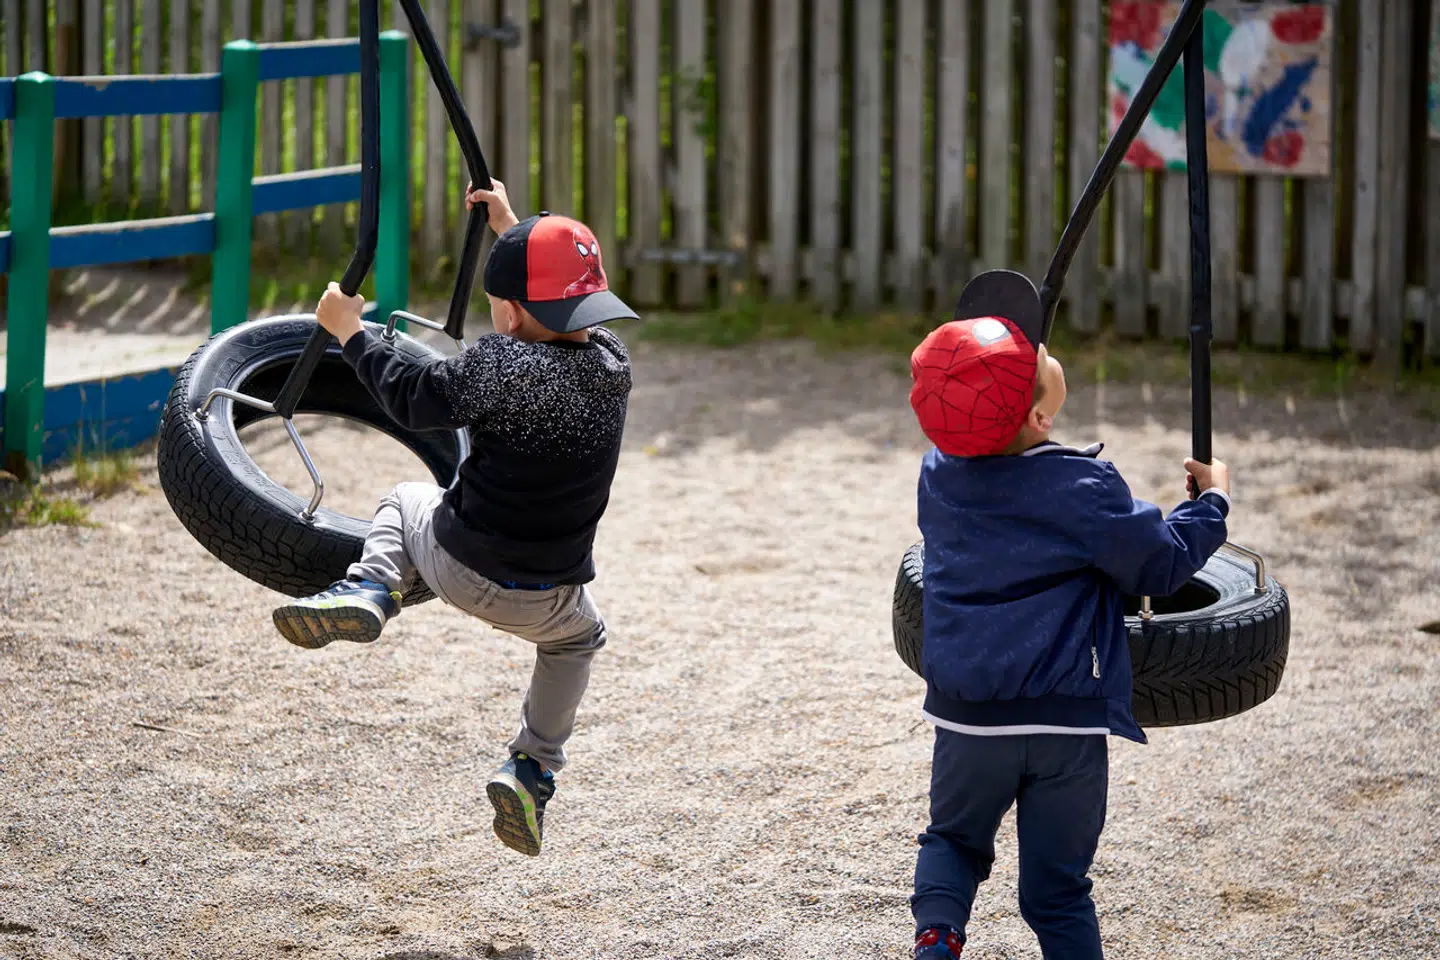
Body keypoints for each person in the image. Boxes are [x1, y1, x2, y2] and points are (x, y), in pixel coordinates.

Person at [270, 178, 637, 858]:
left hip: (457, 564)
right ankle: (532, 768)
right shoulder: (614, 365)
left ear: (507, 314)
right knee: (578, 644)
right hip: (549, 597)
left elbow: (412, 397)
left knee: (406, 496)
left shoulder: (499, 363)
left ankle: (370, 587)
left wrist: (349, 331)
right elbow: (554, 304)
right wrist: (511, 228)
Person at [905, 303, 1231, 958]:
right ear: (1040, 417)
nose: (1045, 350)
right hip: (1065, 722)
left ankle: (937, 938)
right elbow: (1159, 564)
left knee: (953, 843)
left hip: (970, 719)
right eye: (1040, 361)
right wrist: (1211, 504)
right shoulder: (1083, 484)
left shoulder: (937, 477)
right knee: (1057, 891)